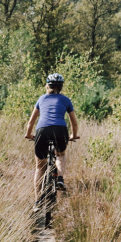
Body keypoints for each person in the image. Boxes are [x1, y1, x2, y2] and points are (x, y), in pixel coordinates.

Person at [24, 73, 79, 208]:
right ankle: (59, 178)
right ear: (61, 87)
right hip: (60, 130)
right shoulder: (66, 100)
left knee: (40, 167)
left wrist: (28, 134)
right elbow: (74, 123)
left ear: (47, 85)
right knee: (60, 155)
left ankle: (37, 201)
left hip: (42, 131)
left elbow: (31, 121)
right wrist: (73, 135)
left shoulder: (41, 99)